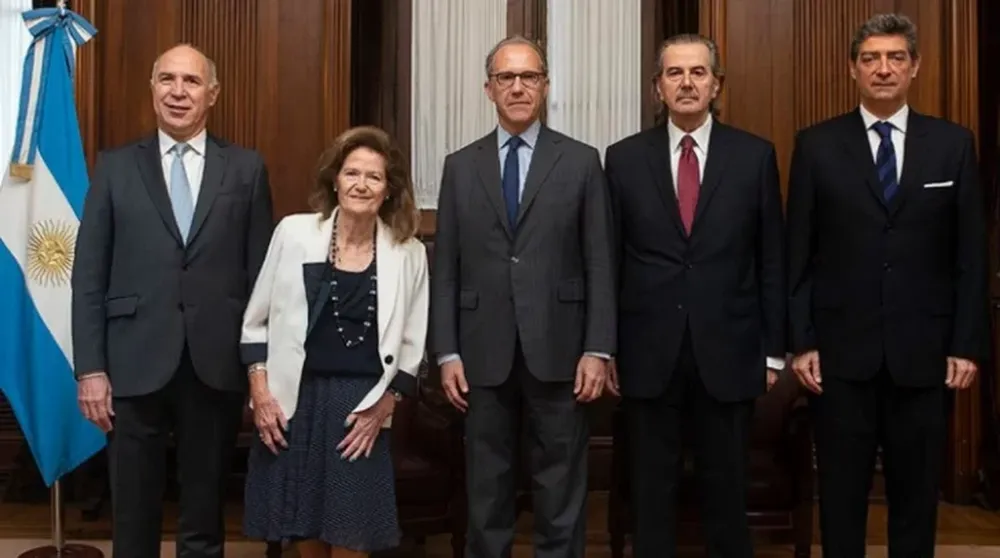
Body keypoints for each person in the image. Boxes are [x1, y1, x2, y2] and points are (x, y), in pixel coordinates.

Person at [786, 13, 989, 558]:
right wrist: (802, 340)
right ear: (853, 69)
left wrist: (966, 345)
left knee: (916, 498)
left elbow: (970, 255)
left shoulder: (952, 146)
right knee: (842, 499)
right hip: (839, 358)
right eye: (871, 59)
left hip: (923, 357)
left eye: (895, 57)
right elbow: (797, 254)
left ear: (914, 67)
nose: (883, 69)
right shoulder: (817, 145)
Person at [71, 44, 274, 558]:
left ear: (213, 94)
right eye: (167, 80)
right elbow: (89, 276)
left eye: (190, 81)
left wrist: (260, 370)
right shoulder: (114, 167)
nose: (178, 92)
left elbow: (260, 282)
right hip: (132, 361)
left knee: (204, 514)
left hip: (215, 361)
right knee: (133, 515)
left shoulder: (246, 170)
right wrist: (90, 368)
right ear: (152, 89)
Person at [431, 35, 616, 558]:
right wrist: (446, 352)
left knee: (560, 491)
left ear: (546, 86)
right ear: (488, 88)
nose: (518, 87)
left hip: (560, 349)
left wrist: (597, 348)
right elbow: (446, 267)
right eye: (506, 78)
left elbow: (600, 260)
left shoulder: (581, 161)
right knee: (486, 491)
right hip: (481, 352)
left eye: (529, 77)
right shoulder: (460, 166)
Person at [604, 34, 785, 558]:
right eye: (674, 73)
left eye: (698, 73)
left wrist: (773, 351)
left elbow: (769, 257)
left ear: (716, 84)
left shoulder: (754, 156)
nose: (687, 82)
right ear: (658, 87)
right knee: (651, 495)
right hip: (647, 353)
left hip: (729, 350)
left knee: (726, 493)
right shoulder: (624, 159)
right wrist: (607, 347)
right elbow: (610, 260)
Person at [239, 125, 428, 558]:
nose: (361, 184)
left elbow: (413, 347)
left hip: (360, 412)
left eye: (374, 177)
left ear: (388, 189)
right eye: (351, 173)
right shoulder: (293, 233)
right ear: (335, 179)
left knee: (350, 539)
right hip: (295, 403)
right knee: (306, 534)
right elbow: (255, 323)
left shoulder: (408, 252)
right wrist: (261, 392)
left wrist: (385, 408)